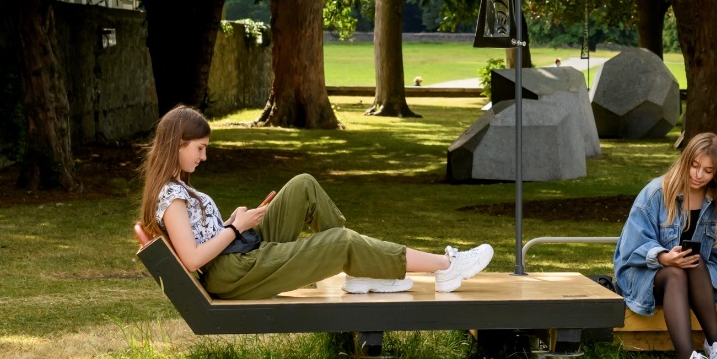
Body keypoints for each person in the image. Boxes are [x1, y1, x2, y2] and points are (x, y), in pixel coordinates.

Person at [139, 105, 493, 299]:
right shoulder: (172, 198)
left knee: (303, 185)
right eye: (200, 149)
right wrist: (234, 227)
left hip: (235, 255)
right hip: (231, 270)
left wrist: (230, 224)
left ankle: (363, 265)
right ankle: (445, 266)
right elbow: (191, 258)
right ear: (178, 144)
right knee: (339, 242)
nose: (203, 157)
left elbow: (201, 239)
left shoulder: (176, 189)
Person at [613, 132, 717, 359]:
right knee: (675, 272)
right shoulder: (655, 192)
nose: (698, 175)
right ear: (685, 160)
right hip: (645, 276)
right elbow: (630, 248)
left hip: (694, 276)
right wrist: (662, 257)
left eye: (707, 170)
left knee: (694, 261)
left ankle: (716, 347)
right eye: (694, 165)